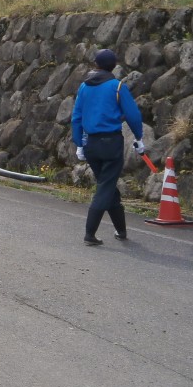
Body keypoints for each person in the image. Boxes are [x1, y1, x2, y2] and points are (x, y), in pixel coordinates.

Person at [71, 48, 144, 245]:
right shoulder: (117, 86)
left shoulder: (84, 87)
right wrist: (139, 137)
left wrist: (79, 143)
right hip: (111, 143)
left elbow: (77, 116)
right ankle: (89, 234)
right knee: (105, 188)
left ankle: (121, 231)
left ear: (96, 64)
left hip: (91, 145)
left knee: (108, 186)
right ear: (114, 66)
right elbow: (133, 115)